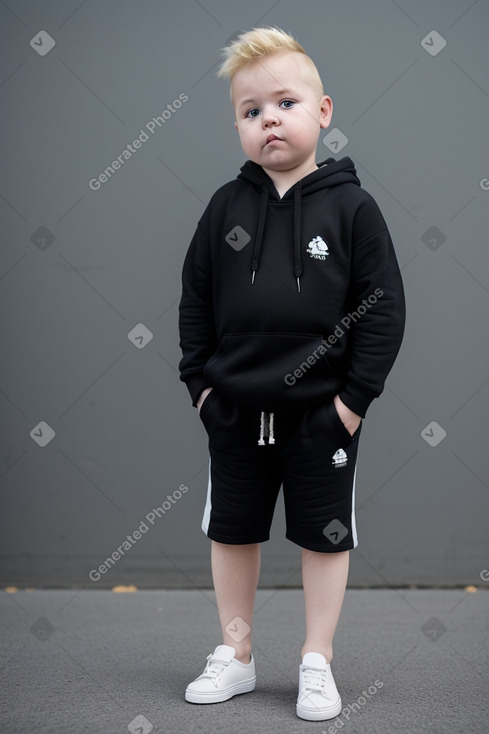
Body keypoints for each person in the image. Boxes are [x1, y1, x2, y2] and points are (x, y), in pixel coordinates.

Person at [178, 26, 405, 722]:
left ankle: (316, 661)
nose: (267, 118)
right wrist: (202, 390)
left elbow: (384, 308)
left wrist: (352, 401)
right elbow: (194, 301)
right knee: (231, 534)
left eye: (283, 102)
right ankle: (237, 656)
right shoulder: (224, 208)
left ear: (322, 111)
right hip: (235, 413)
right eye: (250, 110)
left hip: (320, 416)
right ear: (238, 125)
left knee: (323, 535)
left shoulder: (351, 208)